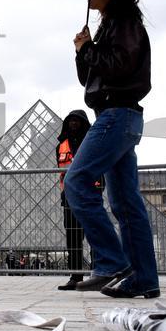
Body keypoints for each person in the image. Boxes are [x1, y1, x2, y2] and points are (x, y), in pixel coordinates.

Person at [65, 0, 160, 299]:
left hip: (116, 115)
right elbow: (90, 77)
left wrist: (90, 49)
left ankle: (111, 261)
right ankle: (144, 279)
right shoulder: (114, 26)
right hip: (120, 117)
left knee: (77, 182)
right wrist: (83, 50)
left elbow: (118, 67)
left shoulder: (124, 24)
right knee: (126, 204)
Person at [55, 109, 96, 291]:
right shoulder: (61, 146)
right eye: (70, 120)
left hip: (89, 193)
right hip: (69, 196)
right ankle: (75, 276)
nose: (73, 123)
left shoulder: (93, 143)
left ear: (83, 123)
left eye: (77, 120)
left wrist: (98, 188)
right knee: (73, 238)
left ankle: (98, 273)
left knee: (95, 235)